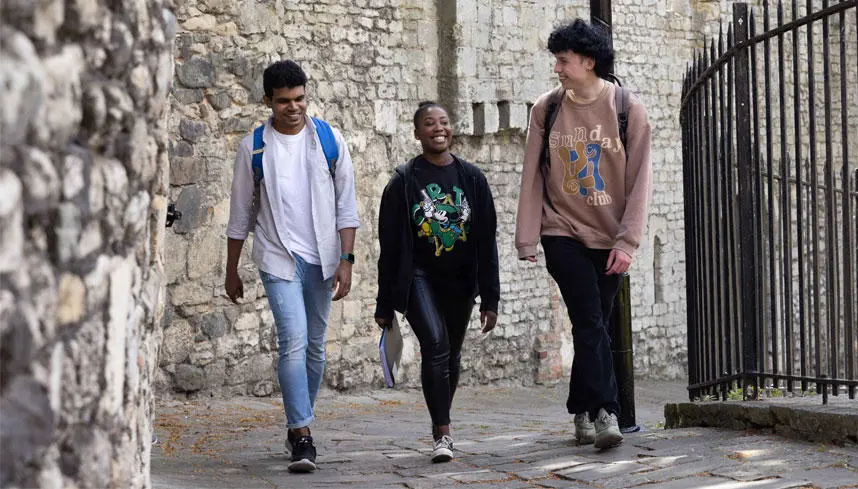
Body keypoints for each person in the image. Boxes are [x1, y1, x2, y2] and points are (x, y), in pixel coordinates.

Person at [515, 19, 652, 449]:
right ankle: (606, 413)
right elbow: (532, 175)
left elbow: (640, 180)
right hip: (563, 231)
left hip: (610, 238)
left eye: (563, 60)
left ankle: (580, 409)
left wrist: (627, 242)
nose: (556, 68)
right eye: (555, 60)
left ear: (588, 61)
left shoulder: (627, 108)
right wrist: (527, 236)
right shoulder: (546, 108)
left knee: (591, 325)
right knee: (591, 319)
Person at [225, 60, 359, 472]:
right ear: (268, 101)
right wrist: (231, 269)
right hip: (276, 256)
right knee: (295, 340)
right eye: (284, 101)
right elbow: (240, 213)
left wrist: (347, 260)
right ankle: (302, 434)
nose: (294, 107)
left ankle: (300, 419)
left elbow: (346, 205)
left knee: (316, 347)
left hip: (323, 257)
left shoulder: (329, 140)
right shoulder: (254, 148)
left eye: (300, 98)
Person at [375, 101, 500, 463]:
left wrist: (490, 298)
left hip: (460, 280)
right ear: (417, 133)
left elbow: (486, 241)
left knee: (452, 354)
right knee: (436, 343)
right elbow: (391, 248)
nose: (438, 128)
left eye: (443, 122)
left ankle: (441, 415)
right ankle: (442, 433)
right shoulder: (402, 183)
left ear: (452, 129)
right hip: (418, 277)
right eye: (429, 123)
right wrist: (385, 304)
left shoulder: (472, 179)